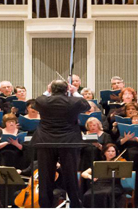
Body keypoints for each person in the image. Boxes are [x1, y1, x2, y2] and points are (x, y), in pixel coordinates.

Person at [31, 80, 90, 208]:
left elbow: (37, 103)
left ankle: (45, 206)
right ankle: (75, 204)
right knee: (71, 177)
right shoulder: (75, 101)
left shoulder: (42, 100)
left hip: (45, 141)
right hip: (68, 142)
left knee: (45, 178)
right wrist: (75, 92)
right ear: (66, 90)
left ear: (51, 89)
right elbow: (87, 106)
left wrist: (47, 91)